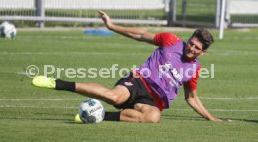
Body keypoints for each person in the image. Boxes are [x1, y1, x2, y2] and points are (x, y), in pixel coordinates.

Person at [32, 10, 223, 123]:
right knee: (112, 96)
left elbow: (191, 98)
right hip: (140, 81)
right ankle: (57, 83)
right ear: (188, 39)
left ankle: (99, 116)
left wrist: (211, 118)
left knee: (153, 118)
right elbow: (141, 35)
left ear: (203, 52)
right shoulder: (171, 40)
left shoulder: (194, 70)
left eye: (196, 48)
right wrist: (113, 26)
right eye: (191, 43)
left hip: (154, 101)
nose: (191, 48)